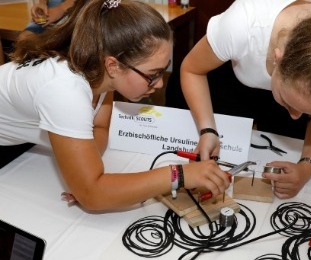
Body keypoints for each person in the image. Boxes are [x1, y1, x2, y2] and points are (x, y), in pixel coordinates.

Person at [0, 0, 231, 211]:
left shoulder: (99, 70)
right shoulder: (65, 90)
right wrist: (178, 175)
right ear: (113, 65)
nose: (160, 84)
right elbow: (93, 197)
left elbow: (99, 129)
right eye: (153, 74)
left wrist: (85, 175)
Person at [177, 0, 311, 199]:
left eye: (308, 111)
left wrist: (306, 167)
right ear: (277, 58)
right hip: (228, 78)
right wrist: (207, 130)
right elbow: (192, 70)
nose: (295, 116)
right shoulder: (242, 24)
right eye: (289, 103)